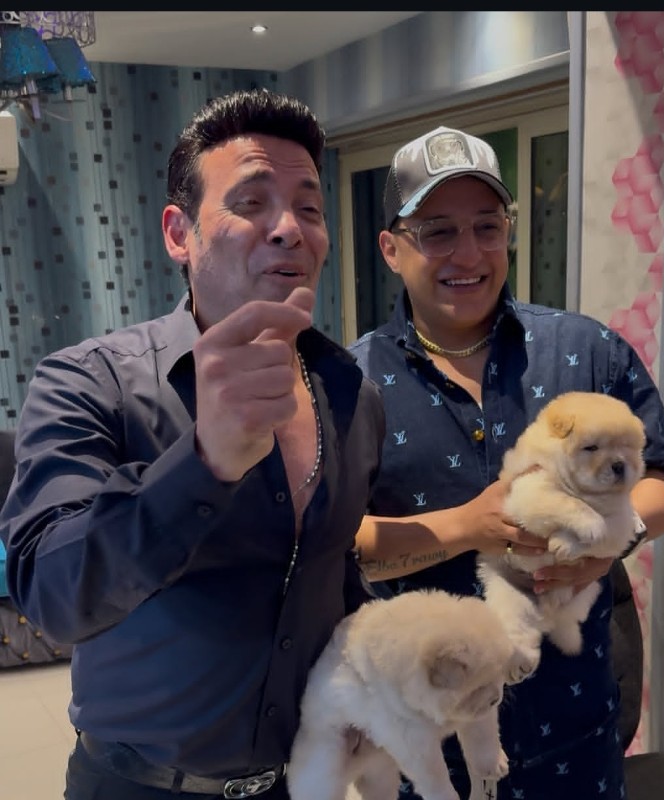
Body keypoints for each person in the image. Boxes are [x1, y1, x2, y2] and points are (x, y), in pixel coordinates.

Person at [0, 88, 385, 800]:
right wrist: (205, 463)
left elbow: (330, 570)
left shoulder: (352, 396)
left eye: (309, 208)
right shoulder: (89, 383)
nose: (289, 229)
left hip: (302, 783)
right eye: (251, 202)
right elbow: (52, 597)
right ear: (179, 234)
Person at [349, 125, 664, 800]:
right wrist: (467, 527)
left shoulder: (586, 351)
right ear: (391, 248)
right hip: (429, 749)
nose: (468, 253)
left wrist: (608, 542)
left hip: (579, 732)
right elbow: (336, 543)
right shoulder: (349, 384)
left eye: (487, 226)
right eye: (438, 232)